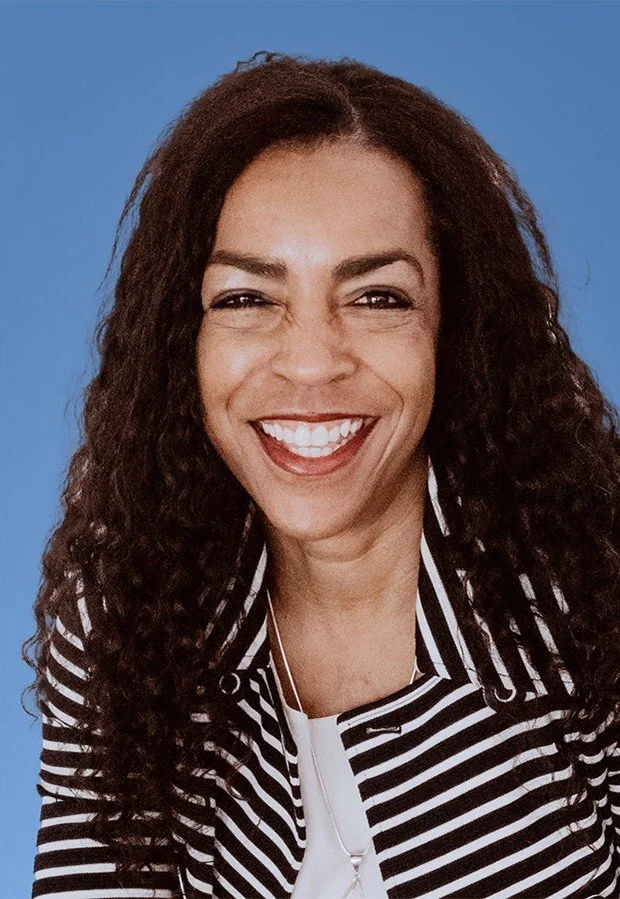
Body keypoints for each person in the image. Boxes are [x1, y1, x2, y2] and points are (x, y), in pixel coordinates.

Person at [24, 50, 619, 899]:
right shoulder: (125, 623)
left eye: (377, 297)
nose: (310, 363)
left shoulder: (593, 594)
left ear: (455, 330)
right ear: (180, 344)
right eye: (246, 299)